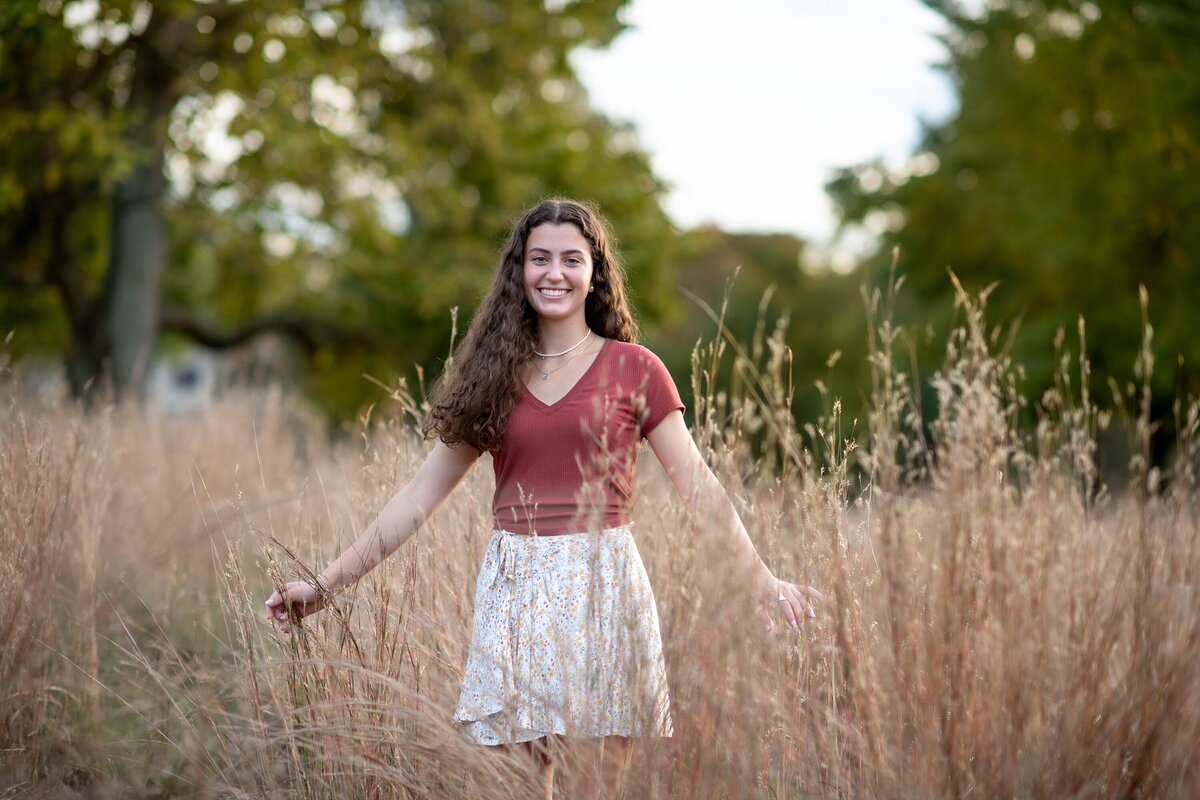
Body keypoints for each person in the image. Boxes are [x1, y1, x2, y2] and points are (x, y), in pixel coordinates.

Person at [264, 197, 820, 795]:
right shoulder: (491, 376)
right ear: (518, 272)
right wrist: (323, 586)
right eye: (539, 259)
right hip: (515, 589)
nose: (554, 273)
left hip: (604, 585)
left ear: (594, 275)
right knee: (516, 786)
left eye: (571, 259)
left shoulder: (636, 369)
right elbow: (416, 500)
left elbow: (700, 488)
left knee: (599, 787)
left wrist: (763, 579)